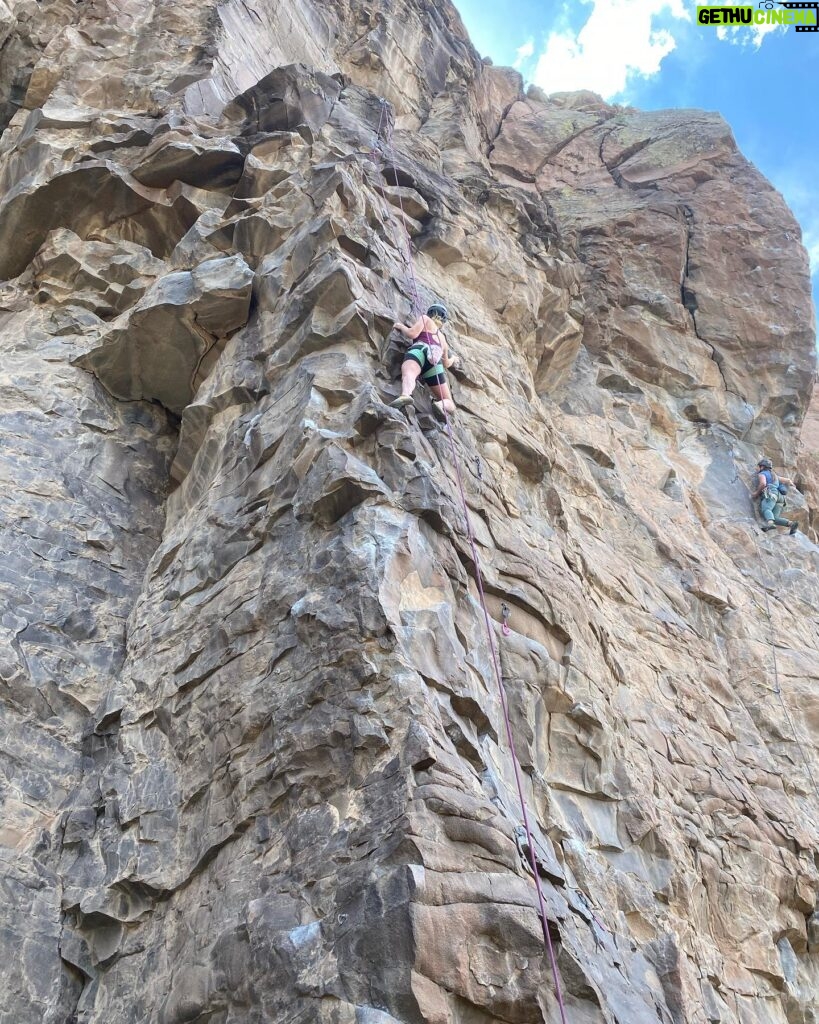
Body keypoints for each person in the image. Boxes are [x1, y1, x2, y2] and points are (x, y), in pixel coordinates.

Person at [389, 303, 457, 419]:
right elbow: (446, 363)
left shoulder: (425, 319)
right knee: (448, 401)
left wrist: (401, 327)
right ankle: (440, 405)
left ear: (429, 313)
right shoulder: (443, 339)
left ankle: (405, 395)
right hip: (435, 364)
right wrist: (454, 358)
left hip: (420, 350)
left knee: (409, 374)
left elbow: (412, 333)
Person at [752, 458, 798, 535]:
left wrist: (756, 493)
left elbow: (763, 484)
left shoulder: (762, 474)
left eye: (759, 466)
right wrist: (793, 485)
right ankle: (792, 524)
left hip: (771, 494)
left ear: (762, 467)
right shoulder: (774, 475)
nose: (757, 468)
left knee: (766, 509)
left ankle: (770, 524)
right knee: (774, 518)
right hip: (780, 498)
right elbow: (788, 480)